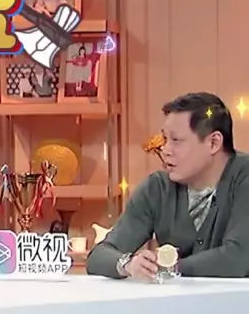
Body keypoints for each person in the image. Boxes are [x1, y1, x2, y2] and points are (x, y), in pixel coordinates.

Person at [87, 92, 249, 279]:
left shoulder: (243, 178)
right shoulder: (157, 188)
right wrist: (128, 265)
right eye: (165, 140)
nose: (165, 150)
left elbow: (238, 258)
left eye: (176, 141)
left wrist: (169, 267)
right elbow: (99, 256)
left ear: (213, 143)